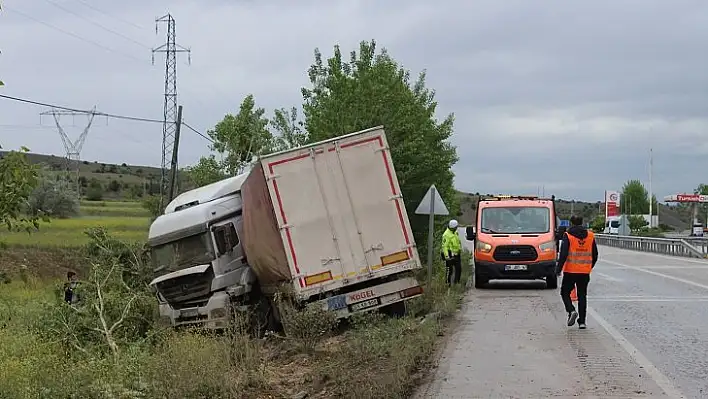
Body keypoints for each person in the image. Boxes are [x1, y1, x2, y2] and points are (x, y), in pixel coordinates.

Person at [557, 215, 598, 329]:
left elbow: (563, 254)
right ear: (582, 222)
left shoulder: (568, 235)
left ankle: (571, 310)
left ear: (571, 223)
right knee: (582, 295)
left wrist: (558, 269)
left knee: (564, 293)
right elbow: (595, 255)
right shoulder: (590, 235)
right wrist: (589, 267)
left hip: (570, 271)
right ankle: (582, 322)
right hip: (584, 272)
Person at [441, 219, 462, 286]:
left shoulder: (455, 232)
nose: (456, 228)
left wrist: (459, 250)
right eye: (456, 227)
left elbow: (457, 242)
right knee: (449, 270)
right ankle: (448, 284)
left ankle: (456, 283)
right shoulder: (446, 234)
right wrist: (447, 256)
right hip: (450, 255)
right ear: (453, 227)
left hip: (456, 254)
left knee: (458, 269)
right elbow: (445, 247)